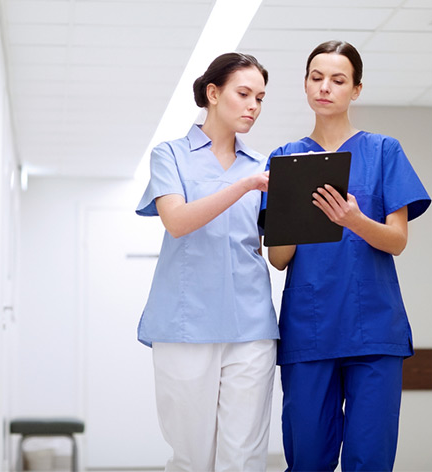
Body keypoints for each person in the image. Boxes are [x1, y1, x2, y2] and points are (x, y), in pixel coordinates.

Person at [264, 41, 432, 471]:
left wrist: (354, 219)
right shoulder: (286, 159)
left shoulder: (383, 151)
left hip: (373, 328)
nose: (325, 88)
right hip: (309, 330)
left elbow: (397, 240)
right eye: (316, 78)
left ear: (356, 89)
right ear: (305, 85)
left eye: (338, 80)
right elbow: (278, 259)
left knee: (370, 459)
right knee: (307, 459)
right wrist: (294, 207)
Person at [136, 52, 279, 471]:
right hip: (186, 324)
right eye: (244, 93)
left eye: (260, 97)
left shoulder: (264, 166)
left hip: (250, 323)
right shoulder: (171, 156)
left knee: (245, 456)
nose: (253, 105)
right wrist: (245, 185)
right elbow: (177, 221)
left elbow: (276, 243)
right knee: (192, 457)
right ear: (213, 94)